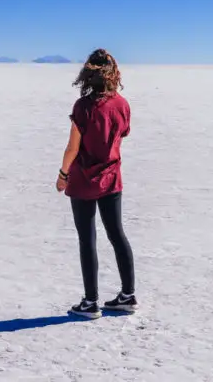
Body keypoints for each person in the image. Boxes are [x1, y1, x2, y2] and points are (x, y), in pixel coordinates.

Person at [55, 49, 137, 319]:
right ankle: (128, 296)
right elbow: (121, 134)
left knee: (87, 239)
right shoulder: (122, 104)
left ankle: (90, 303)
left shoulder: (83, 107)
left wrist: (62, 175)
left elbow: (72, 148)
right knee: (117, 235)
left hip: (83, 182)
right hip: (112, 179)